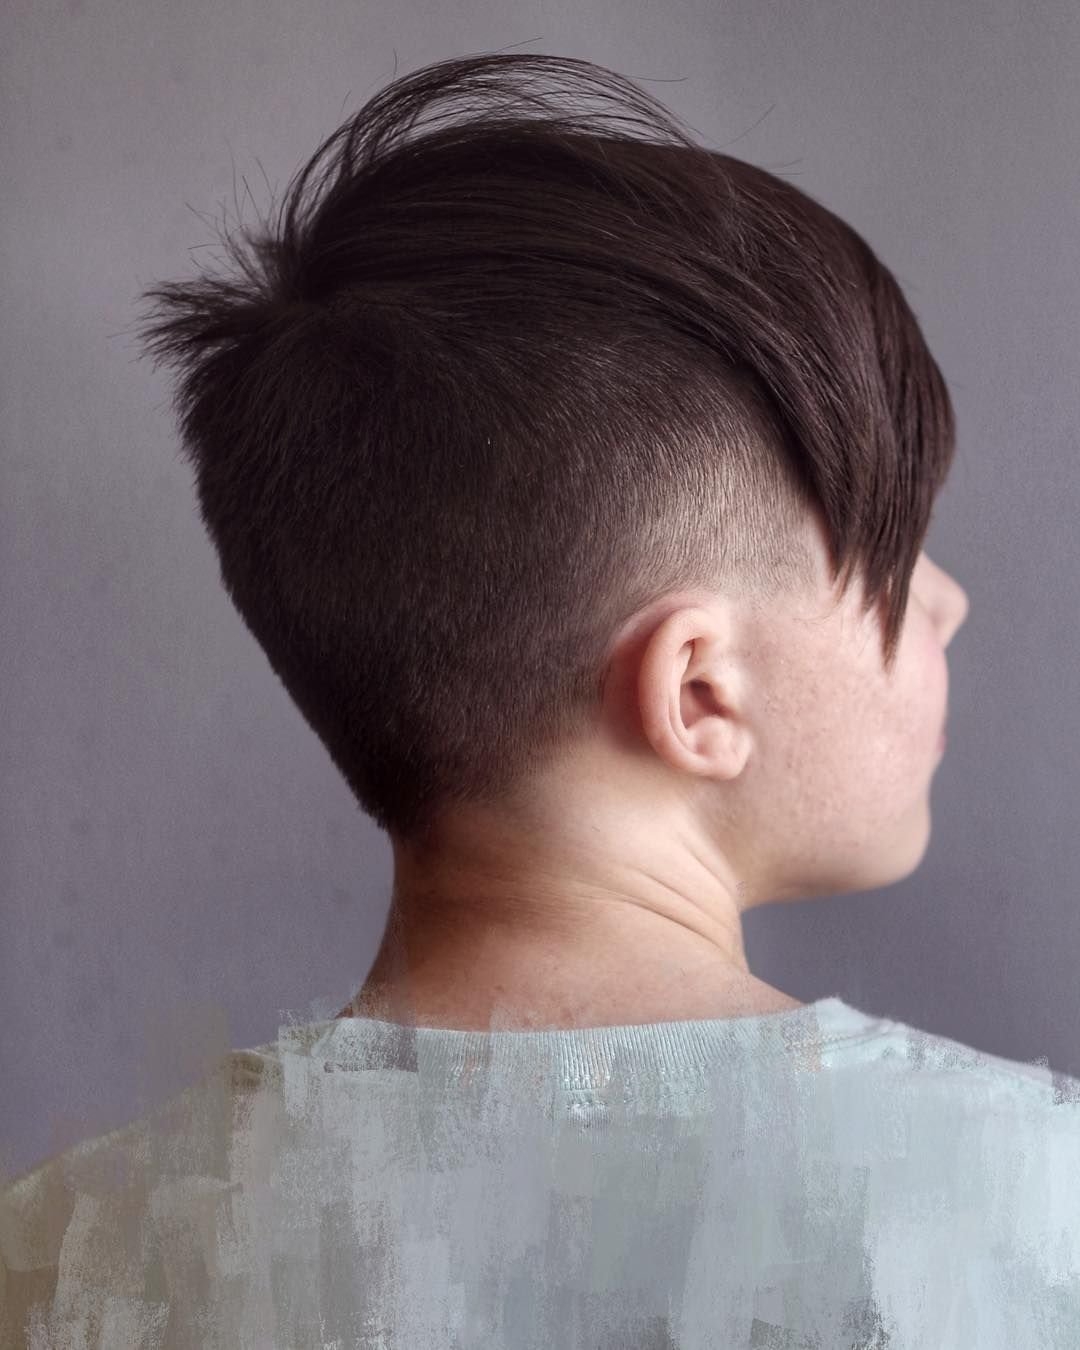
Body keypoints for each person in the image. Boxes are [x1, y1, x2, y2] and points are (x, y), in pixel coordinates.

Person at [4, 50, 1079, 1349]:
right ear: (700, 691)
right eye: (896, 557)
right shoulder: (1030, 1214)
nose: (949, 602)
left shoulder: (56, 1257)